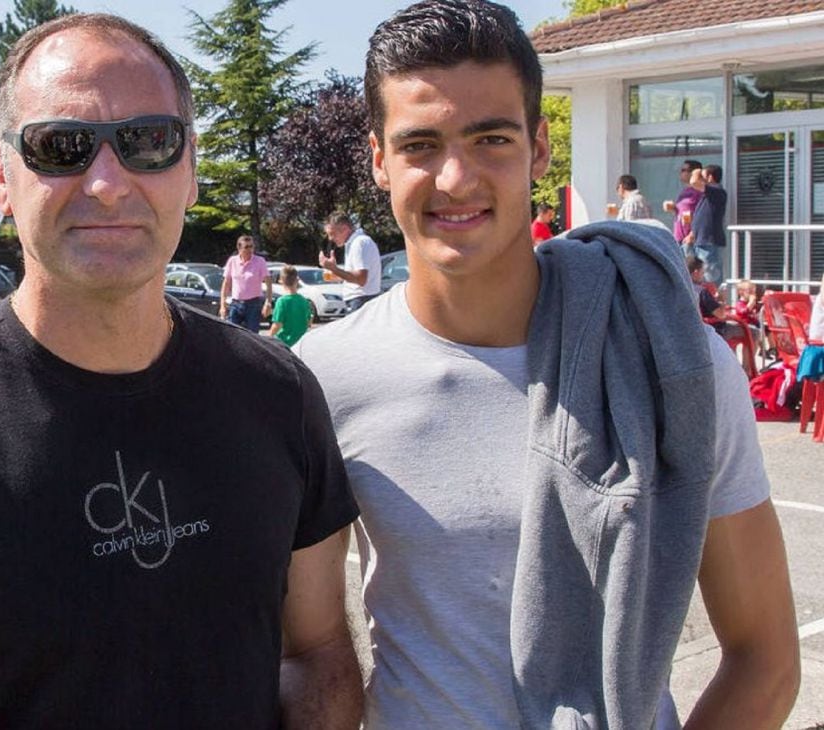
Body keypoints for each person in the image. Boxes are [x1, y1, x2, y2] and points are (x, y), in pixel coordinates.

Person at [0, 14, 362, 729]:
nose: (108, 182)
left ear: (189, 168)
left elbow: (318, 651)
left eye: (149, 141)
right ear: (3, 175)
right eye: (62, 146)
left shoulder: (278, 395)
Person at [296, 1, 799, 728]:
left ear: (539, 149)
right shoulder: (327, 374)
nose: (455, 177)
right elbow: (312, 653)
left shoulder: (673, 361)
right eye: (420, 145)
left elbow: (765, 659)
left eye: (490, 138)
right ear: (379, 160)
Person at [319, 211, 382, 312]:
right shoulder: (356, 242)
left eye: (332, 234)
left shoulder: (359, 243)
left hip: (361, 300)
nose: (330, 239)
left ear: (345, 229)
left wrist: (334, 269)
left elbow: (361, 279)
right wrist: (334, 273)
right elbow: (358, 277)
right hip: (360, 300)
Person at [219, 233, 273, 332]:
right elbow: (226, 283)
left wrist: (268, 302)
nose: (250, 250)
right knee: (232, 333)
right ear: (239, 248)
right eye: (246, 247)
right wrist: (222, 305)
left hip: (253, 303)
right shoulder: (232, 261)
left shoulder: (259, 261)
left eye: (252, 246)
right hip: (236, 303)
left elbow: (268, 282)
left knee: (252, 335)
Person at [685, 164, 729, 284]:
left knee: (710, 276)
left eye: (703, 176)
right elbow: (703, 216)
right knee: (698, 275)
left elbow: (694, 182)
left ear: (710, 177)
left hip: (710, 242)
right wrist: (692, 233)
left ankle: (713, 299)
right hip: (700, 240)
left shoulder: (717, 191)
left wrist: (696, 171)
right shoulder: (707, 196)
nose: (701, 179)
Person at [270, 264, 312, 347]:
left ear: (281, 281)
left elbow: (277, 325)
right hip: (300, 342)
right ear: (297, 280)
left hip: (284, 343)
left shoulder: (281, 301)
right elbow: (309, 322)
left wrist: (269, 337)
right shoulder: (304, 300)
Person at [664, 159, 703, 244]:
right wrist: (673, 208)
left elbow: (703, 215)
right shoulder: (685, 191)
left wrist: (692, 234)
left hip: (691, 240)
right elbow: (683, 211)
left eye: (683, 170)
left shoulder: (699, 191)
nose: (680, 173)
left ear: (693, 173)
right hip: (680, 237)